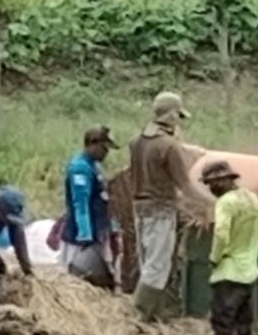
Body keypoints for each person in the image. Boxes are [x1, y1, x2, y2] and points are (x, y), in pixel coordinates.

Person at [129, 91, 214, 320]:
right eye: (178, 115)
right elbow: (185, 185)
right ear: (171, 116)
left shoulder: (136, 141)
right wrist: (211, 202)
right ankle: (137, 316)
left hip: (139, 208)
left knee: (148, 263)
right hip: (160, 209)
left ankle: (155, 314)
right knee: (158, 267)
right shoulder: (168, 146)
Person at [200, 160, 258, 335]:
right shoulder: (250, 198)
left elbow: (222, 232)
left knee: (222, 324)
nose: (211, 188)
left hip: (227, 272)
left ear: (224, 181)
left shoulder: (225, 202)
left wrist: (215, 257)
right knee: (244, 326)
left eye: (212, 183)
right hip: (249, 273)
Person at [59, 126, 121, 290]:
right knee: (79, 275)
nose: (106, 153)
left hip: (99, 230)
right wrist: (84, 233)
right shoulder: (80, 168)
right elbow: (81, 203)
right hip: (81, 235)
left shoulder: (95, 166)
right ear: (92, 145)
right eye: (104, 148)